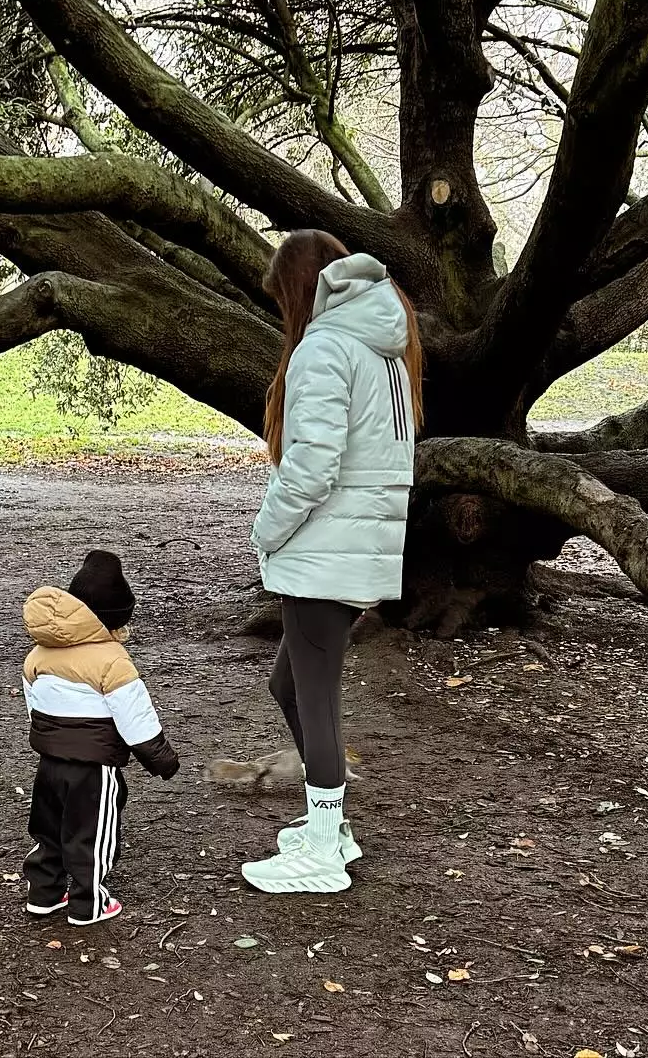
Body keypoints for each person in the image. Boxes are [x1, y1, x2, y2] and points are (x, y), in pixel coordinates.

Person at [242, 231, 422, 894]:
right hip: (355, 549)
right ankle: (332, 827)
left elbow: (311, 470)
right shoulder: (385, 351)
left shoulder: (325, 349)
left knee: (313, 698)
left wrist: (265, 532)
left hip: (325, 552)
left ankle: (322, 850)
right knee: (289, 687)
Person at [20, 550, 179, 924]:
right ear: (116, 620)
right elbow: (135, 718)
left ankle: (44, 893)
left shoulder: (39, 654)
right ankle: (89, 902)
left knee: (49, 826)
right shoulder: (113, 661)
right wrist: (162, 760)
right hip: (95, 767)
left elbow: (34, 706)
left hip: (50, 763)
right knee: (92, 833)